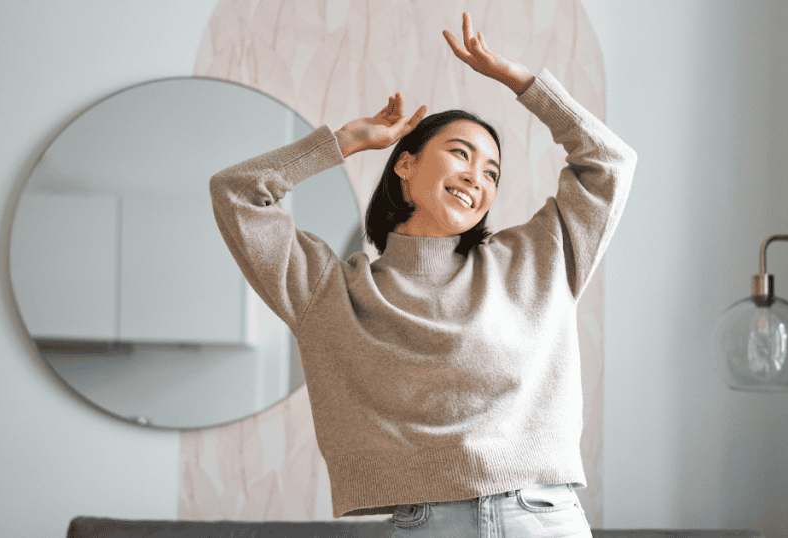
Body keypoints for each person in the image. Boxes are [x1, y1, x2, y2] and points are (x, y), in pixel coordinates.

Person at [209, 12, 637, 538]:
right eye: (461, 154)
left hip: (542, 520)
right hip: (425, 525)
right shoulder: (330, 293)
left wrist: (521, 83)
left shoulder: (538, 259)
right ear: (405, 166)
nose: (475, 179)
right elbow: (238, 194)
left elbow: (610, 161)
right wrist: (341, 142)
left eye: (491, 172)